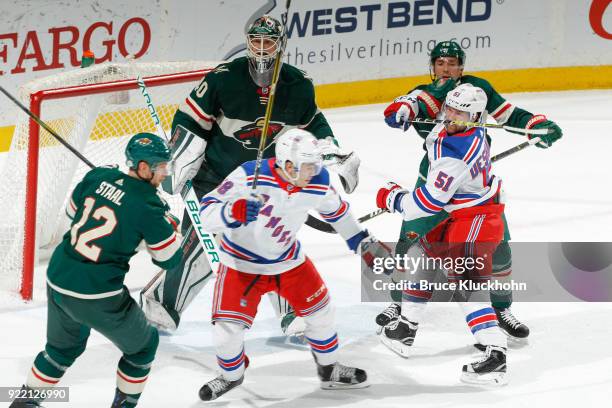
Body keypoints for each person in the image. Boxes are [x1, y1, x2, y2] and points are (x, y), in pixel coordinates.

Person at [140, 14, 359, 334]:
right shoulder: (222, 79)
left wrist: (332, 153)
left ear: (280, 45)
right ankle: (161, 304)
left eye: (268, 41)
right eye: (255, 41)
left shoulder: (298, 85)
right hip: (215, 178)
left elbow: (313, 128)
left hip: (268, 178)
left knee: (275, 239)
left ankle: (292, 310)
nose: (260, 48)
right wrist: (180, 164)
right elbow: (188, 120)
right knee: (203, 244)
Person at [377, 40, 563, 340]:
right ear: (432, 66)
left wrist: (535, 124)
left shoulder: (479, 90)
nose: (446, 68)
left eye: (452, 63)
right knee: (409, 245)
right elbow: (407, 104)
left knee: (499, 248)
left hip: (474, 190)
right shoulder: (426, 94)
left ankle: (501, 308)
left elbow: (510, 115)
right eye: (440, 63)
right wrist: (400, 109)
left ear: (461, 67)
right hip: (434, 183)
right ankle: (398, 306)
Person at [196, 129, 379, 400]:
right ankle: (232, 376)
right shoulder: (249, 174)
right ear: (288, 165)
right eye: (308, 165)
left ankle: (328, 368)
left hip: (289, 263)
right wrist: (232, 212)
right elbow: (206, 211)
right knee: (226, 333)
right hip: (241, 266)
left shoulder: (318, 180)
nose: (315, 170)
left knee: (322, 313)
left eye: (316, 164)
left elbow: (338, 214)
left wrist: (363, 245)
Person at [9, 133, 182, 408]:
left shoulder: (98, 177)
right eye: (160, 167)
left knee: (60, 350)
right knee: (144, 346)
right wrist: (170, 227)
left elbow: (71, 215)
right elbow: (169, 260)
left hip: (57, 277)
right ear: (143, 168)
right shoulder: (150, 206)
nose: (165, 172)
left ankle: (24, 404)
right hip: (97, 292)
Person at [376, 84, 509, 385]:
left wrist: (393, 199)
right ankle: (406, 327)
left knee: (465, 281)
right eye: (448, 108)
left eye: (458, 112)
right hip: (460, 214)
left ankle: (495, 353)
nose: (449, 115)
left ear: (475, 116)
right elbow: (425, 99)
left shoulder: (457, 154)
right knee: (421, 253)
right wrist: (406, 106)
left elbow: (427, 203)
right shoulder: (457, 129)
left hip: (477, 218)